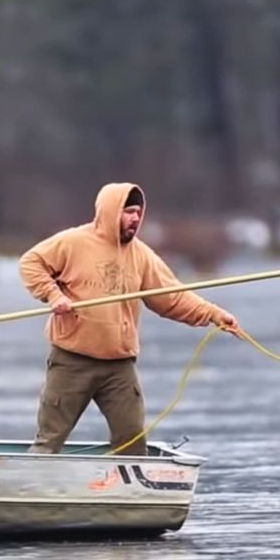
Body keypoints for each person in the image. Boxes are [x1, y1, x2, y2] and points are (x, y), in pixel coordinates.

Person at [19, 182, 239, 455]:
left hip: (119, 367)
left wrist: (215, 314)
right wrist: (54, 296)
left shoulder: (142, 255)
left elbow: (172, 297)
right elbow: (30, 263)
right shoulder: (72, 242)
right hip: (71, 361)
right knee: (49, 441)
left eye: (138, 212)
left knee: (133, 442)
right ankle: (30, 488)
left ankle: (131, 492)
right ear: (111, 212)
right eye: (128, 211)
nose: (135, 218)